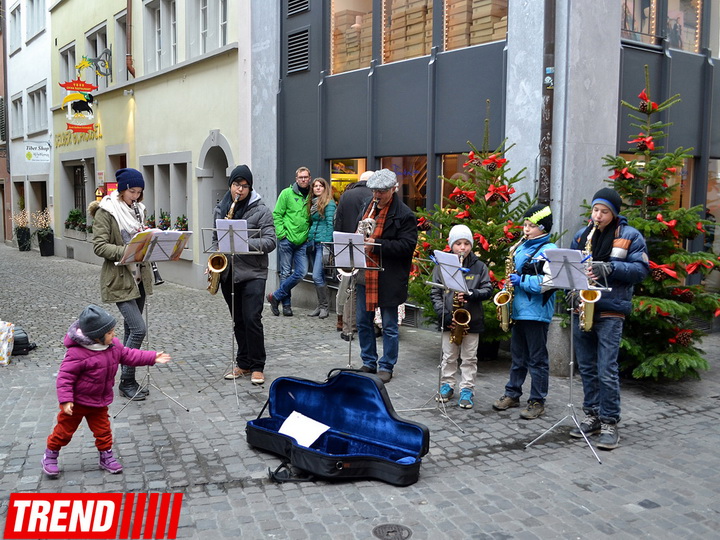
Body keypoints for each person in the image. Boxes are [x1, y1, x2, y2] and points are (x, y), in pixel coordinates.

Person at [41, 305, 171, 477]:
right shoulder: (77, 354)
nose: (114, 335)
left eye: (113, 331)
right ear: (96, 337)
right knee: (63, 432)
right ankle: (50, 455)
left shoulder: (113, 346)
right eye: (110, 333)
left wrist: (152, 357)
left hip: (99, 401)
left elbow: (129, 355)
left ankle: (106, 456)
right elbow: (65, 378)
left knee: (103, 432)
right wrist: (65, 401)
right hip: (77, 403)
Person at [569, 187, 649, 450]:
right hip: (584, 307)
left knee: (607, 369)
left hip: (611, 310)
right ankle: (591, 415)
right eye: (595, 210)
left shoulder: (630, 235)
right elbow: (570, 269)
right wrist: (572, 292)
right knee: (588, 368)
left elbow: (641, 270)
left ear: (614, 214)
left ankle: (610, 421)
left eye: (604, 211)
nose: (598, 216)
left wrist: (611, 267)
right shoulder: (582, 235)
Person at [89, 168, 155, 401]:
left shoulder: (138, 210)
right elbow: (99, 246)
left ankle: (129, 381)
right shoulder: (106, 212)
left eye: (139, 192)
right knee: (139, 329)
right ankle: (125, 380)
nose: (136, 197)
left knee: (130, 330)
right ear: (122, 189)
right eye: (132, 191)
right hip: (119, 278)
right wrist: (128, 251)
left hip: (139, 278)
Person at [492, 204, 557, 419]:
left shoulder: (550, 250)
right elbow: (513, 275)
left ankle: (537, 400)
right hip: (519, 310)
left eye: (531, 226)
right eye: (525, 225)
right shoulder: (520, 248)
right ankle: (513, 393)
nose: (526, 230)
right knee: (518, 356)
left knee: (537, 359)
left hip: (536, 312)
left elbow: (550, 282)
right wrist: (506, 290)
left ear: (543, 228)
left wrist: (523, 280)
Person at [214, 165, 277, 384]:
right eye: (236, 185)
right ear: (230, 185)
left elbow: (270, 241)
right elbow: (215, 239)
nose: (239, 190)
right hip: (228, 272)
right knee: (238, 320)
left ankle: (258, 365)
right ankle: (243, 363)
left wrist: (243, 243)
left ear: (250, 188)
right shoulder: (221, 208)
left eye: (244, 186)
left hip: (253, 272)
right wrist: (213, 260)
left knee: (252, 318)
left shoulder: (261, 210)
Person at [356, 169, 417, 383]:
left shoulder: (405, 214)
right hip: (366, 274)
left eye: (381, 191)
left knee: (389, 326)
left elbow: (408, 246)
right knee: (363, 321)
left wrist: (377, 244)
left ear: (393, 189)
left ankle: (387, 365)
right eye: (374, 191)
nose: (376, 196)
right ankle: (369, 361)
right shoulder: (367, 206)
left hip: (389, 276)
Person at [430, 225, 492, 409]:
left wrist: (471, 294)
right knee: (448, 356)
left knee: (469, 358)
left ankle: (467, 389)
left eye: (466, 243)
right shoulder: (442, 266)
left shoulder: (479, 266)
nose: (463, 248)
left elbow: (488, 289)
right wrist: (444, 314)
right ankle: (447, 385)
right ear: (451, 245)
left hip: (471, 320)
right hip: (450, 320)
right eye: (458, 243)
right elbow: (435, 292)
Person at [334, 170, 374, 340]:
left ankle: (348, 329)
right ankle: (371, 327)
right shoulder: (374, 196)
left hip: (348, 247)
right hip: (369, 248)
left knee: (350, 289)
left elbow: (338, 222)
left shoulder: (346, 195)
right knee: (370, 287)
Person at [267, 167, 312, 317]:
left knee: (301, 272)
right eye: (300, 177)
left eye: (305, 177)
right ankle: (286, 306)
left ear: (309, 178)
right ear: (296, 179)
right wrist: (282, 234)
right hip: (287, 239)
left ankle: (276, 296)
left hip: (303, 241)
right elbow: (277, 214)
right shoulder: (287, 193)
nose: (303, 180)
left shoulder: (312, 195)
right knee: (285, 273)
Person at [306, 177, 336, 319]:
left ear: (325, 188)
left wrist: (327, 244)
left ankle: (324, 307)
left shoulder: (329, 204)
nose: (317, 188)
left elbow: (331, 224)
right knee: (317, 276)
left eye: (320, 186)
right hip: (313, 242)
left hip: (322, 243)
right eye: (315, 186)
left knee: (317, 275)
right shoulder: (313, 203)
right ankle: (320, 305)